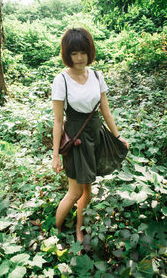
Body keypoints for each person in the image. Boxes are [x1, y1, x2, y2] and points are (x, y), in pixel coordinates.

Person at [51, 28, 129, 243]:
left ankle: (79, 230)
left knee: (88, 191)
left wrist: (117, 135)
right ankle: (55, 229)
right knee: (75, 191)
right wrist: (55, 154)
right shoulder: (61, 80)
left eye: (83, 52)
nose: (79, 58)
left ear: (89, 52)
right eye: (74, 53)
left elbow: (106, 110)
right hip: (75, 138)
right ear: (67, 54)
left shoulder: (96, 75)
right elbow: (58, 121)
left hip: (95, 134)